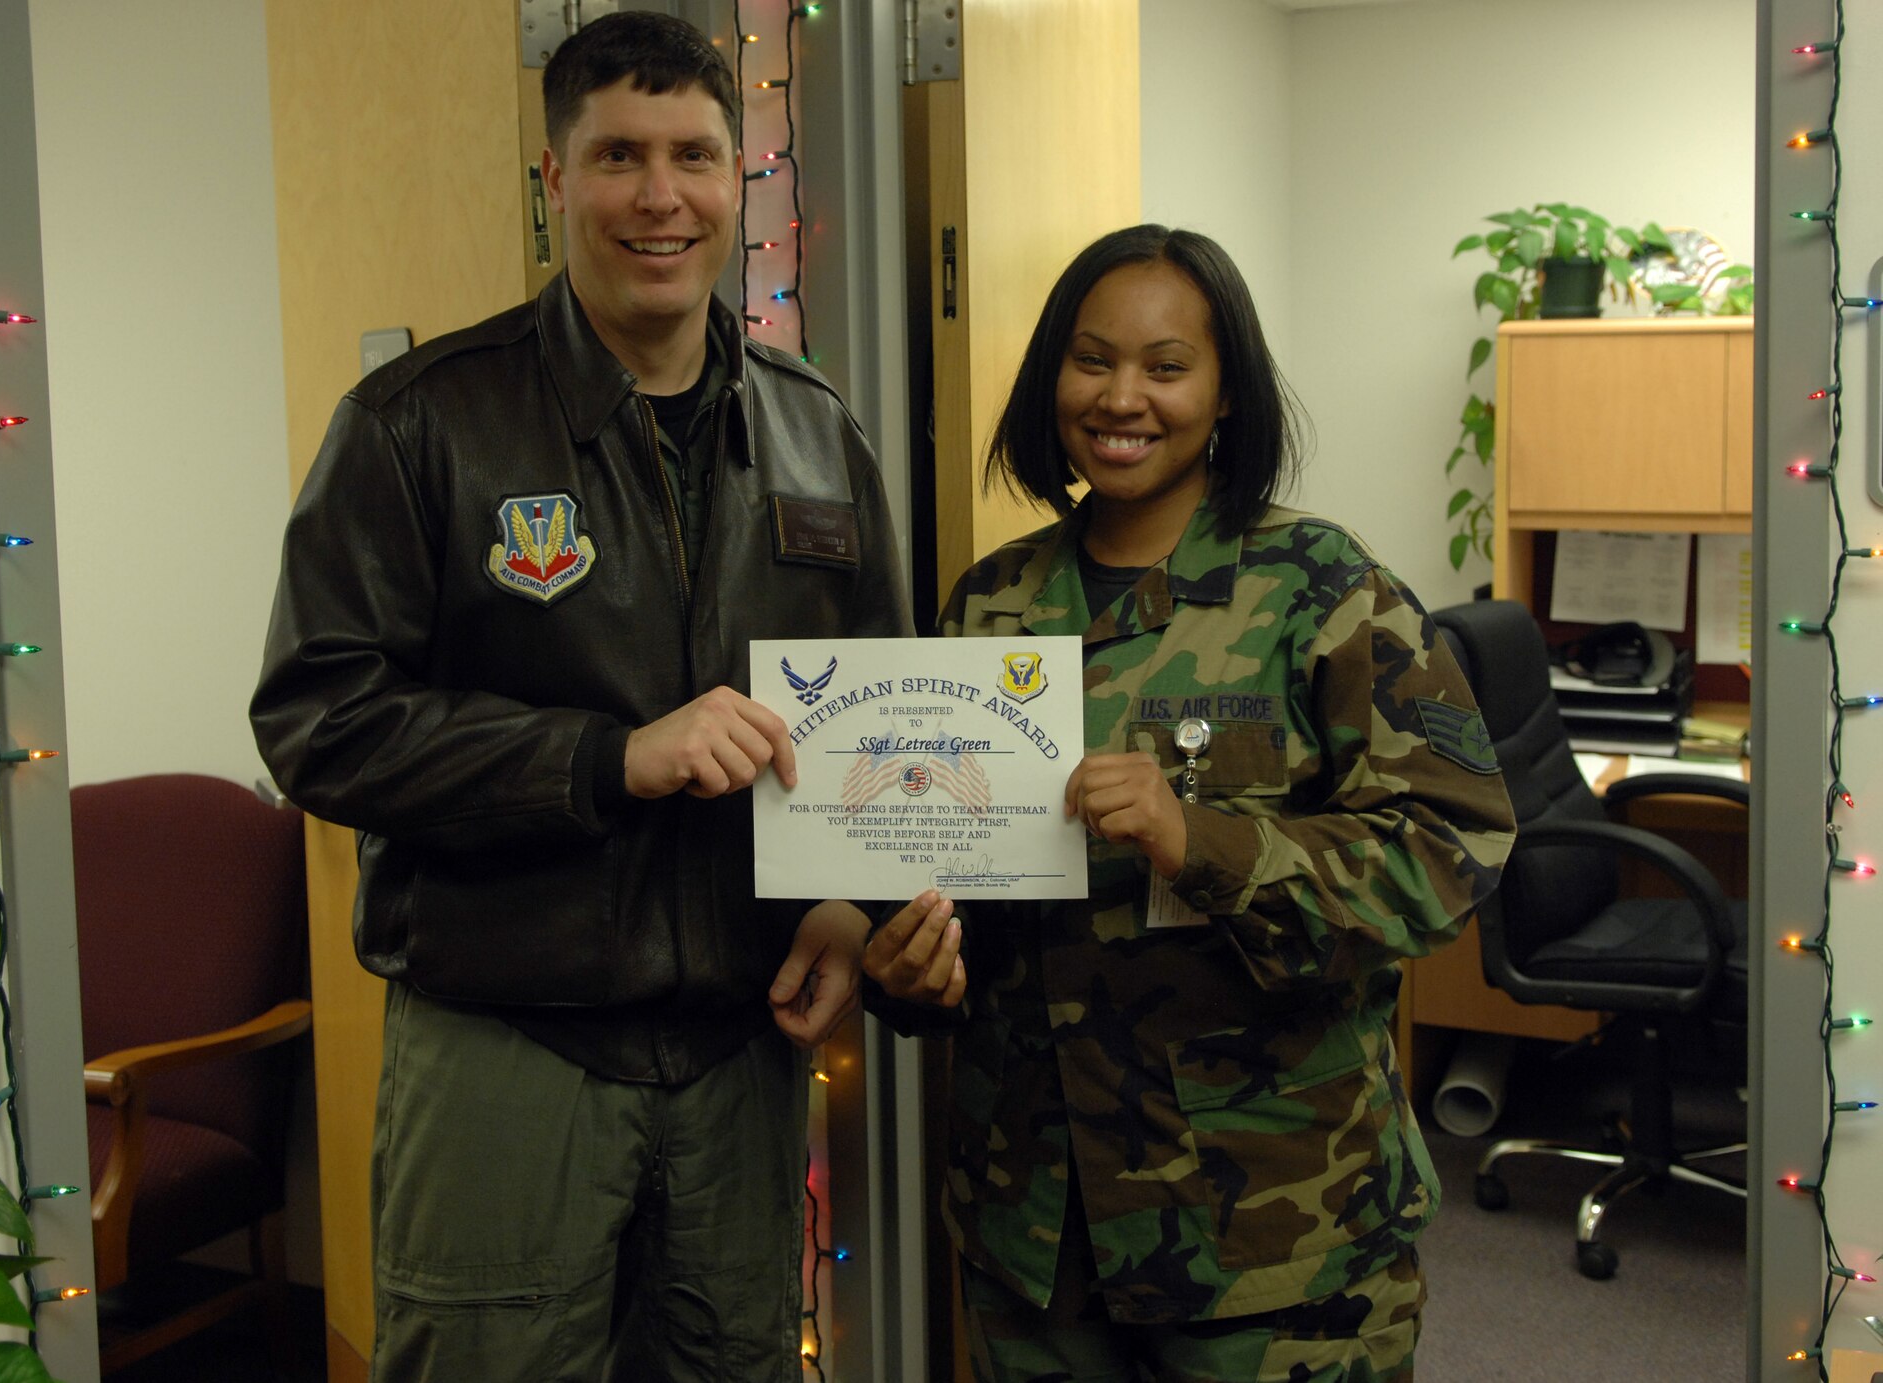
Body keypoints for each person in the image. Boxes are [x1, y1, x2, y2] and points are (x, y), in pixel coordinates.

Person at [249, 12, 907, 1380]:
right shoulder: (418, 423)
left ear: (739, 177)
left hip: (739, 1052)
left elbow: (877, 722)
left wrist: (853, 903)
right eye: (618, 155)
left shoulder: (816, 430)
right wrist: (606, 759)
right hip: (508, 1046)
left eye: (693, 155)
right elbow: (318, 721)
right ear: (554, 182)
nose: (659, 196)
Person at [865, 225, 1516, 1382]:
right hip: (1035, 1231)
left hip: (1272, 1241)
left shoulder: (1320, 588)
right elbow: (938, 873)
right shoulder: (990, 606)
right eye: (1089, 359)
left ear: (1224, 394)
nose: (1122, 397)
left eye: (1165, 367)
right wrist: (911, 967)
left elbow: (1447, 855)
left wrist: (1197, 841)